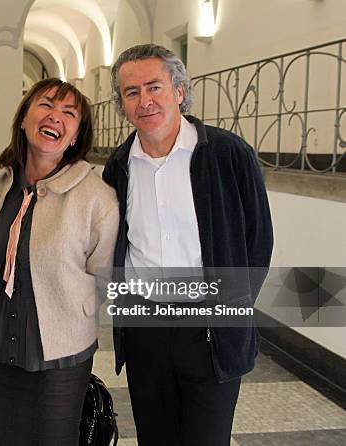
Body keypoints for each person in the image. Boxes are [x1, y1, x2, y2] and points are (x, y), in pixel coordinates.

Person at [103, 44, 273, 445]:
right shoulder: (119, 166)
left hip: (210, 327)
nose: (144, 101)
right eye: (132, 92)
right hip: (145, 328)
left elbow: (258, 240)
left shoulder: (228, 154)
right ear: (122, 104)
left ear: (179, 91)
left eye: (154, 87)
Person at [0, 78, 119, 445]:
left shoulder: (97, 198)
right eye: (46, 105)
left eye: (69, 113)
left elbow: (103, 277)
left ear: (75, 135)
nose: (56, 117)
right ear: (24, 118)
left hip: (58, 352)